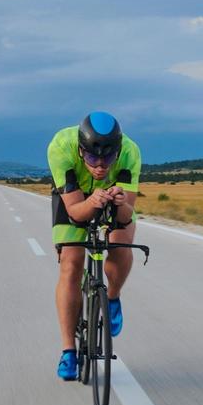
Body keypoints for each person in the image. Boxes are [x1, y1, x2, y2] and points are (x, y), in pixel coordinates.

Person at [47, 112, 142, 381]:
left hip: (113, 199)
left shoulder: (130, 152)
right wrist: (92, 203)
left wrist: (121, 203)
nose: (100, 167)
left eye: (107, 159)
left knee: (121, 244)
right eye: (91, 158)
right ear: (81, 149)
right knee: (71, 263)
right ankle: (68, 351)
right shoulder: (60, 146)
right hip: (74, 199)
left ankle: (111, 296)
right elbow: (76, 211)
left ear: (118, 151)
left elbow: (125, 218)